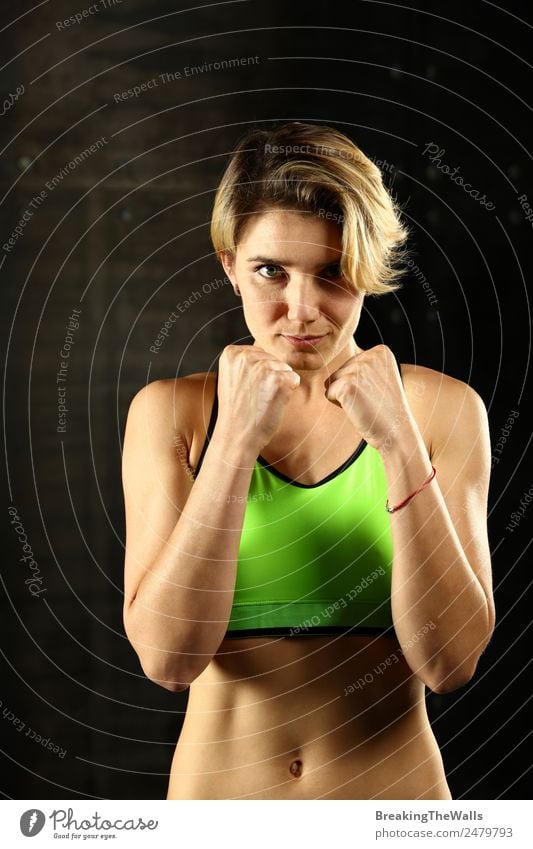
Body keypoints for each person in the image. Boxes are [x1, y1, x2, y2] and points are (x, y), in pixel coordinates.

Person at [121, 121, 495, 800]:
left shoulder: (442, 411)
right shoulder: (171, 415)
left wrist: (400, 447)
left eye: (331, 273)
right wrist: (233, 443)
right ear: (230, 264)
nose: (302, 309)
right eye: (271, 270)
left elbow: (450, 662)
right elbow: (169, 660)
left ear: (367, 270)